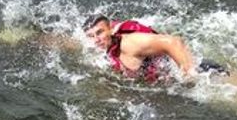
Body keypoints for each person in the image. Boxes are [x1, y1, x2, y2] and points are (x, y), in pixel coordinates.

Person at [81, 14, 226, 82]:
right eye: (91, 36)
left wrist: (191, 75)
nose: (96, 40)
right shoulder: (104, 47)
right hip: (171, 76)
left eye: (100, 32)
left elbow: (173, 42)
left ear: (111, 30)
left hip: (205, 73)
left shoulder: (129, 43)